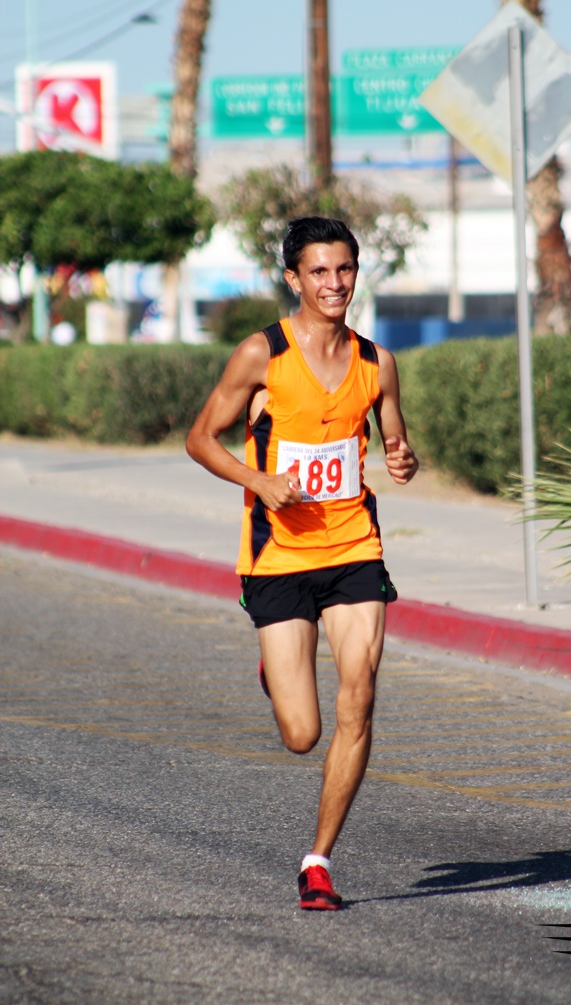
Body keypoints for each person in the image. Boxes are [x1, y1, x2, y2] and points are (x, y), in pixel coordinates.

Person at [186, 216, 418, 910]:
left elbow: (395, 442)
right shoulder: (262, 354)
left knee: (360, 694)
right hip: (277, 556)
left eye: (344, 270)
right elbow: (200, 440)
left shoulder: (377, 362)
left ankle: (317, 861)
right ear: (293, 279)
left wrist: (403, 458)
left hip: (352, 548)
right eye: (318, 271)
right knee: (301, 734)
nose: (334, 283)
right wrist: (258, 482)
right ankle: (274, 667)